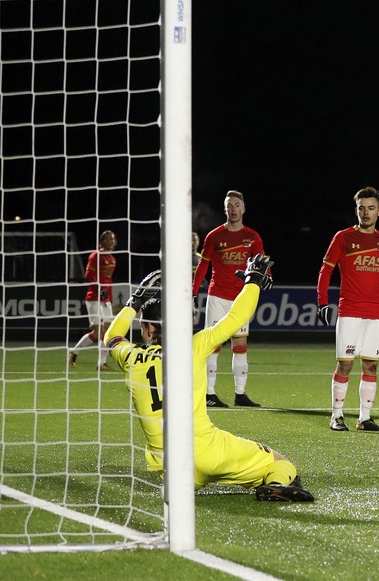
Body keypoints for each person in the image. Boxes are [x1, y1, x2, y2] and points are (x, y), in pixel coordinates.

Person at [104, 257, 314, 502]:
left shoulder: (129, 356)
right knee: (280, 462)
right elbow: (236, 317)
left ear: (148, 327)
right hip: (208, 452)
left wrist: (135, 301)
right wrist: (253, 281)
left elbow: (111, 337)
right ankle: (276, 484)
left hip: (169, 466)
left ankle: (181, 486)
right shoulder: (193, 346)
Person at [316, 186, 379, 433]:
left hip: (375, 314)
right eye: (362, 208)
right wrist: (322, 301)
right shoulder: (343, 237)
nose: (366, 212)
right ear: (356, 210)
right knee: (345, 366)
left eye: (371, 208)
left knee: (371, 366)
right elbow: (326, 270)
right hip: (349, 311)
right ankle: (336, 416)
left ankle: (364, 418)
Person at [192, 190, 265, 408]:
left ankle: (240, 394)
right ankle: (209, 393)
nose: (233, 209)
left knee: (240, 345)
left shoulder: (252, 237)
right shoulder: (214, 236)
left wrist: (266, 277)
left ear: (243, 208)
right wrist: (193, 291)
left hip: (241, 299)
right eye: (229, 206)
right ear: (225, 210)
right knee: (213, 345)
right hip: (217, 297)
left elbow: (261, 264)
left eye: (236, 205)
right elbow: (203, 265)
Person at [68, 230, 117, 371]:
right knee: (98, 332)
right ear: (101, 242)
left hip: (106, 299)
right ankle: (74, 351)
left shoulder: (112, 258)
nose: (111, 242)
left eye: (113, 239)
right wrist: (99, 288)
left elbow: (108, 280)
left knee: (107, 331)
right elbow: (89, 274)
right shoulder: (95, 255)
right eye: (108, 239)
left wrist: (109, 298)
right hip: (94, 297)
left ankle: (101, 363)